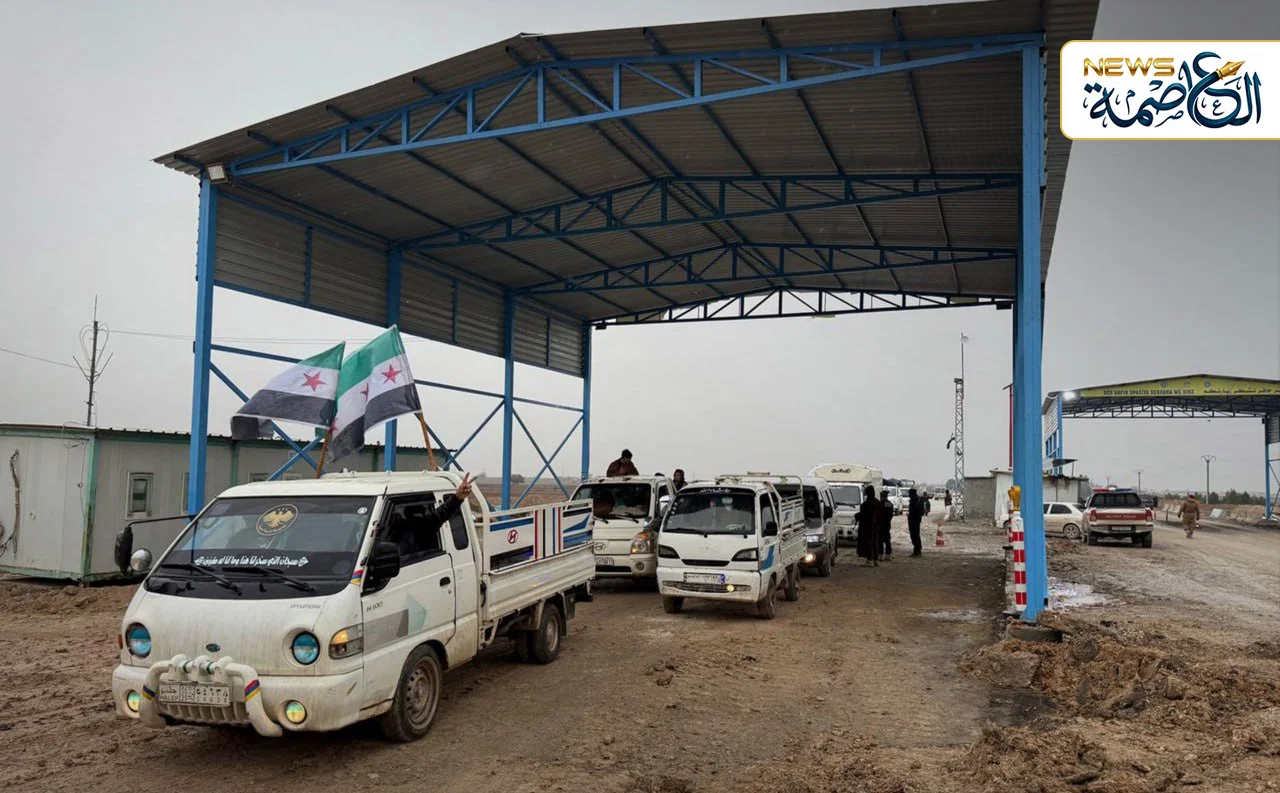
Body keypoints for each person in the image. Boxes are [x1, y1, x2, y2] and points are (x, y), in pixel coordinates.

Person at [385, 474, 475, 552]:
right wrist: (457, 498)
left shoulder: (424, 526)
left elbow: (441, 513)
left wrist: (457, 498)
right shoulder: (395, 528)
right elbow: (441, 513)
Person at [855, 485, 880, 567]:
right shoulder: (877, 502)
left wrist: (857, 516)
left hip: (867, 527)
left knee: (869, 543)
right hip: (876, 526)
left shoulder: (866, 504)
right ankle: (876, 560)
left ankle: (870, 560)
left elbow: (865, 515)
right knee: (875, 542)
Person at [907, 488, 924, 557]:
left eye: (909, 493)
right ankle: (918, 550)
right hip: (916, 520)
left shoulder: (914, 500)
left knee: (914, 535)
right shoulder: (918, 500)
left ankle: (916, 550)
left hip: (913, 520)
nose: (909, 495)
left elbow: (913, 511)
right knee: (916, 535)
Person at [879, 490, 894, 561]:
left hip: (881, 524)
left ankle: (881, 555)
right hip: (887, 524)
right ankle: (888, 554)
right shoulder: (890, 504)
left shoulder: (880, 504)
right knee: (887, 540)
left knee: (880, 540)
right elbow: (891, 515)